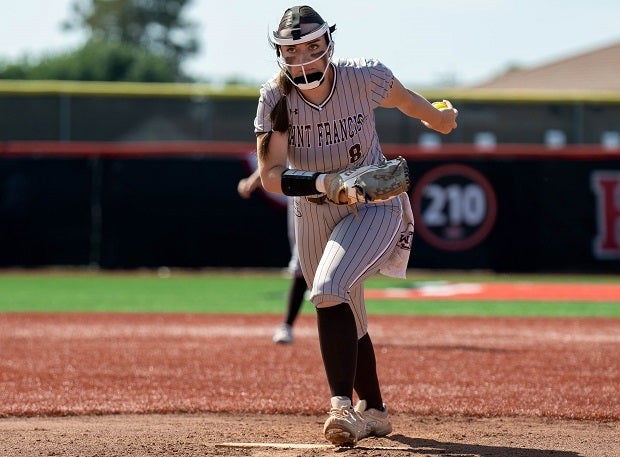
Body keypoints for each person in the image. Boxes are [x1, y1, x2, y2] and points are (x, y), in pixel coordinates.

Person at [254, 5, 458, 447]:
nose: (303, 59)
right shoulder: (275, 98)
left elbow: (406, 100)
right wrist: (326, 183)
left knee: (328, 287)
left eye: (311, 46)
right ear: (279, 54)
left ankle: (340, 407)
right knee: (347, 311)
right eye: (292, 51)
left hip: (372, 204)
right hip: (313, 209)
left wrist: (437, 119)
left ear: (329, 42)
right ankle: (377, 411)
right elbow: (271, 175)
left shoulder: (363, 77)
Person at [237, 168, 308, 344]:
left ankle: (355, 326)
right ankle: (287, 325)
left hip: (335, 194)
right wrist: (254, 179)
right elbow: (275, 159)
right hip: (302, 196)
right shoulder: (292, 139)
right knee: (302, 263)